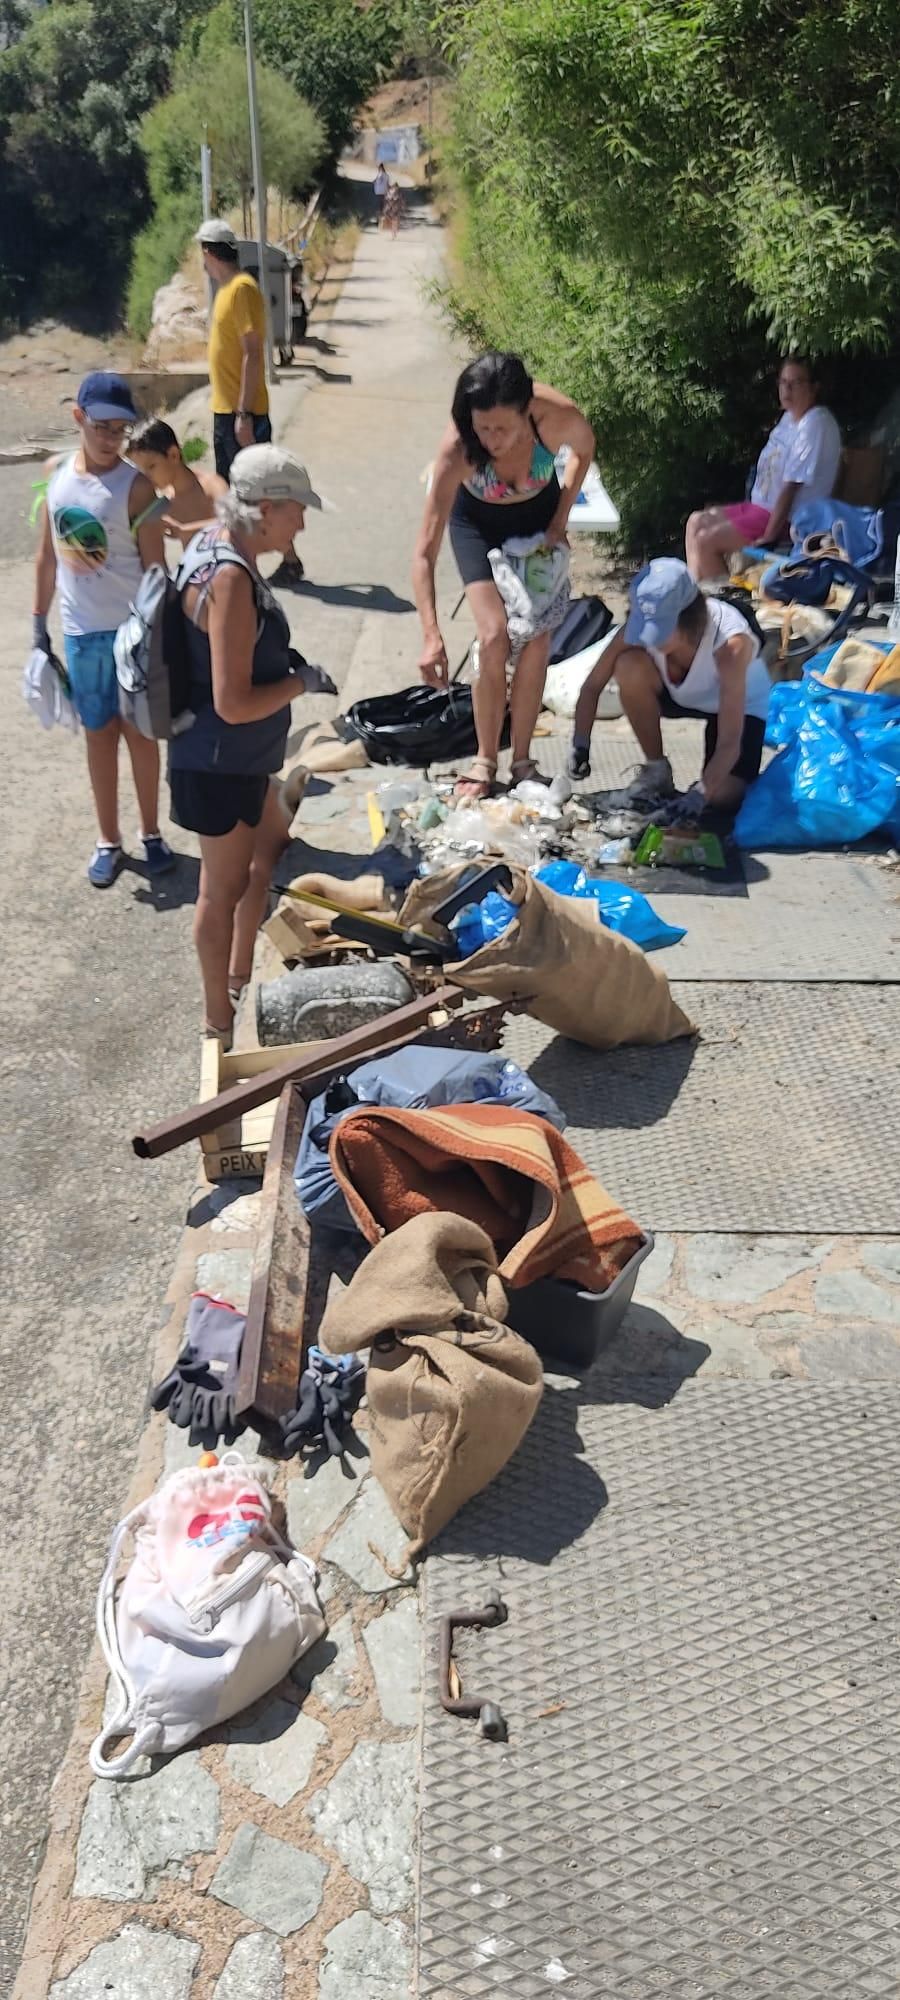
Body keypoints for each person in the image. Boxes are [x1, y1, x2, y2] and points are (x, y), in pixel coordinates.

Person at [168, 444, 331, 1043]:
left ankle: (238, 976)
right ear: (266, 509)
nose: (303, 522)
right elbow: (232, 703)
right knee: (220, 889)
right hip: (215, 762)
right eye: (297, 511)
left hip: (232, 758)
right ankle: (218, 1020)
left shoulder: (217, 542)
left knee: (267, 852)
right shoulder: (230, 578)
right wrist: (301, 682)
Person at [412, 351, 595, 797]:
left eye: (502, 428)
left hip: (538, 518)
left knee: (536, 637)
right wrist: (431, 634)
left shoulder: (556, 417)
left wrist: (560, 521)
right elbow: (424, 550)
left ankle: (523, 760)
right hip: (476, 525)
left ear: (526, 411)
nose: (491, 439)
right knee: (493, 634)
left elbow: (583, 454)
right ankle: (484, 759)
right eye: (483, 427)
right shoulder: (457, 450)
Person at [32, 371, 175, 887]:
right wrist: (37, 628)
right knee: (99, 735)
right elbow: (47, 559)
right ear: (78, 419)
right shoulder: (56, 478)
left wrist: (159, 635)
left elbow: (156, 569)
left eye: (121, 429)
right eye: (102, 427)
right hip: (82, 634)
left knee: (140, 734)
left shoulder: (137, 487)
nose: (112, 438)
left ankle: (152, 833)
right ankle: (108, 840)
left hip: (132, 636)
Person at [569, 557, 770, 816]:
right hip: (679, 695)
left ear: (690, 618)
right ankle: (657, 770)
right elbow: (592, 687)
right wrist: (580, 744)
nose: (650, 638)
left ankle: (720, 788)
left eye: (660, 629)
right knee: (628, 664)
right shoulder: (638, 628)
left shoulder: (731, 645)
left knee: (721, 797)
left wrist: (701, 794)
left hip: (735, 708)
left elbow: (730, 742)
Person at [196, 217, 306, 590]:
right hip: (227, 409)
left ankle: (272, 563)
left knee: (256, 493)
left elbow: (252, 352)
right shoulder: (228, 289)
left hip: (241, 413)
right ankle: (249, 560)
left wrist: (243, 413)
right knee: (236, 493)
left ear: (209, 253)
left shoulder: (241, 288)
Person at [685, 357, 842, 580]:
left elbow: (790, 488)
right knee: (695, 522)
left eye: (795, 382)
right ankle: (695, 600)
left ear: (814, 388)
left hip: (787, 519)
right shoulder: (789, 418)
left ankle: (723, 606)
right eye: (783, 382)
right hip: (759, 507)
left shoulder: (815, 423)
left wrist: (769, 536)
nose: (786, 389)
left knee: (705, 541)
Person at [128, 418, 226, 544]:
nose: (147, 477)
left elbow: (233, 523)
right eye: (141, 471)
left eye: (151, 467)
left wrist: (184, 530)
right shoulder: (164, 502)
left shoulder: (211, 485)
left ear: (173, 455)